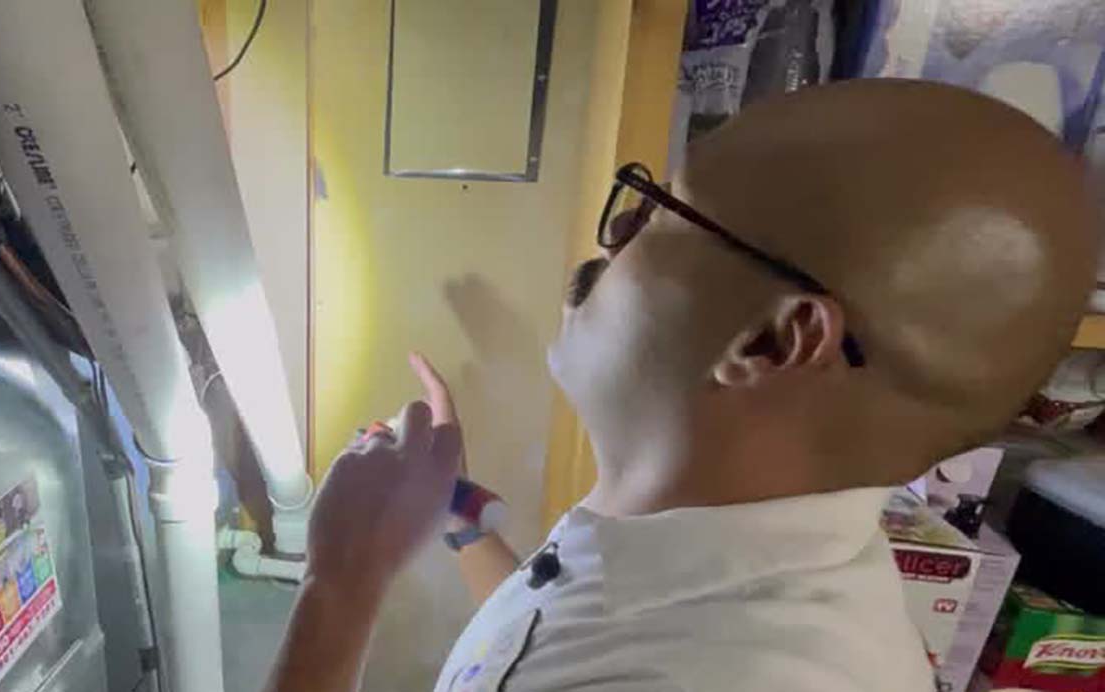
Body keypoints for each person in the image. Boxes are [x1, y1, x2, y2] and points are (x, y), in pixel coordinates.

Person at [259, 79, 1099, 691]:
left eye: (660, 210)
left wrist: (337, 585)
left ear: (773, 339)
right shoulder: (720, 560)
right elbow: (553, 638)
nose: (614, 236)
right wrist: (455, 516)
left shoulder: (737, 672)